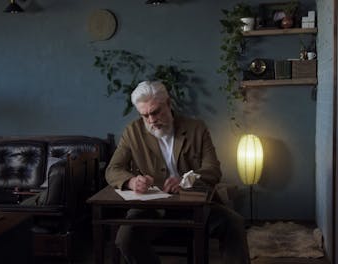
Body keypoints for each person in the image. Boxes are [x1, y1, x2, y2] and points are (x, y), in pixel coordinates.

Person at [105, 80, 251, 264]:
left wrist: (185, 181)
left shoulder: (196, 128)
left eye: (156, 112)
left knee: (234, 223)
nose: (151, 120)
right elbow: (113, 170)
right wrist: (132, 181)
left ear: (168, 103)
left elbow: (213, 170)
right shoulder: (132, 132)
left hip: (195, 206)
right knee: (125, 238)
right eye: (145, 115)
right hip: (151, 210)